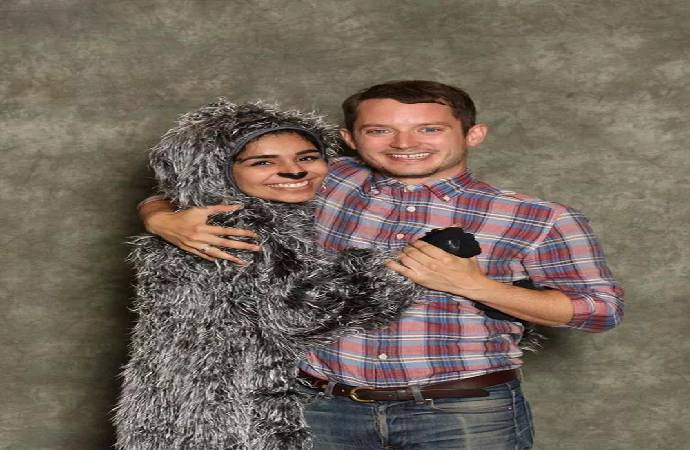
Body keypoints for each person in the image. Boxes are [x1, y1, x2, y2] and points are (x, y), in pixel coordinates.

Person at [138, 81, 624, 449]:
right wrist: (162, 219)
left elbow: (599, 310)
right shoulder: (318, 178)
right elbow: (193, 186)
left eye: (429, 129)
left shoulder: (538, 218)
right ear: (349, 138)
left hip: (461, 411)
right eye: (380, 130)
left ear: (472, 134)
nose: (403, 143)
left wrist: (476, 286)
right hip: (322, 407)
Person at [115, 100, 422, 450]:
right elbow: (299, 316)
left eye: (307, 157)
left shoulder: (200, 216)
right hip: (231, 415)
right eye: (263, 162)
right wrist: (405, 267)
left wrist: (154, 213)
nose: (294, 171)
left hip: (178, 404)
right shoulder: (234, 229)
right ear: (217, 169)